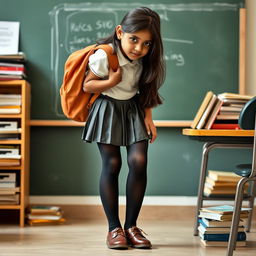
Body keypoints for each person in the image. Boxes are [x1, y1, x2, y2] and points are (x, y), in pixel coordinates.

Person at [82, 6, 165, 249]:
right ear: (120, 32)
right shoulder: (104, 55)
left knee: (138, 161)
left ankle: (131, 227)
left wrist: (148, 117)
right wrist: (110, 81)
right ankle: (114, 228)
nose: (139, 48)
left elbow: (146, 91)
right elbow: (88, 85)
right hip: (107, 109)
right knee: (113, 164)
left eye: (147, 43)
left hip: (133, 111)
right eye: (134, 39)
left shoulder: (144, 61)